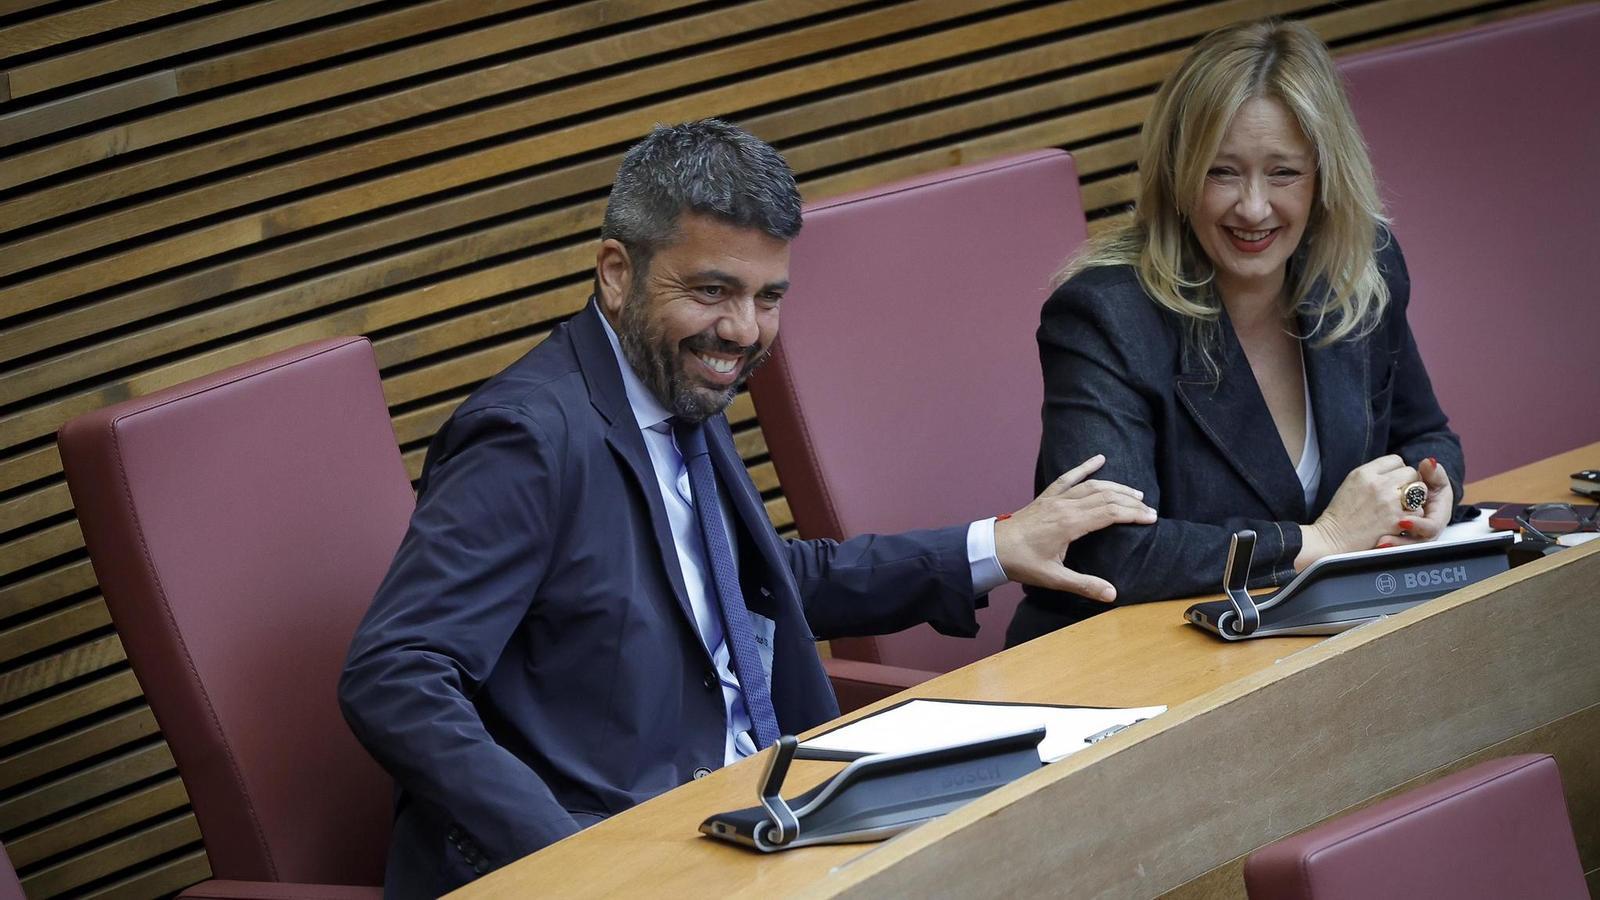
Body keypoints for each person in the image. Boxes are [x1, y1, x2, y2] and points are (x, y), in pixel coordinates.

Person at [339, 119, 1155, 897]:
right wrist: (571, 863)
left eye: (769, 297)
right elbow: (395, 675)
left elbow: (746, 581)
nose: (742, 330)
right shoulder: (529, 437)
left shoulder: (678, 385)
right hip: (624, 853)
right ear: (616, 272)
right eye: (711, 290)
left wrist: (995, 546)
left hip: (759, 817)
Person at [1006, 19, 1465, 646]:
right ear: (1177, 174)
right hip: (1137, 664)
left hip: (1321, 644)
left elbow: (1424, 437)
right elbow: (1108, 552)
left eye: (1283, 173)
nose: (1253, 207)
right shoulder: (1105, 315)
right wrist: (1320, 541)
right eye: (1223, 172)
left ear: (1326, 178)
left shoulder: (1361, 268)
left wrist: (1422, 498)